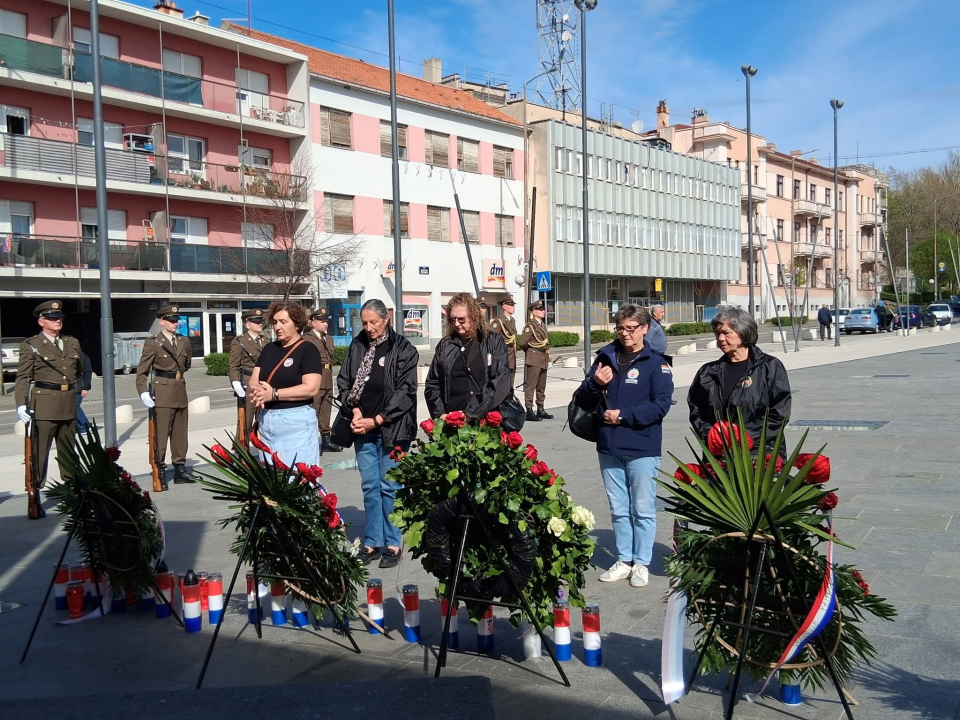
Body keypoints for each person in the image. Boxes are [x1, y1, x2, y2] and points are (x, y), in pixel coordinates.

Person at [576, 305, 673, 588]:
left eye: (631, 328)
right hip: (608, 445)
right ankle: (624, 558)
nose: (625, 333)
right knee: (618, 507)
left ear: (645, 328)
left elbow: (661, 405)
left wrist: (624, 416)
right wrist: (595, 383)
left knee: (642, 508)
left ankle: (641, 562)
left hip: (642, 445)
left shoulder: (656, 363)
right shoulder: (605, 358)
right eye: (620, 328)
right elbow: (582, 398)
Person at [336, 299, 418, 569]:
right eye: (365, 322)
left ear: (386, 320)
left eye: (374, 322)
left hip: (392, 428)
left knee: (390, 486)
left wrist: (378, 419)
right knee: (370, 487)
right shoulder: (358, 345)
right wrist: (356, 410)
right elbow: (344, 380)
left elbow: (406, 392)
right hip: (362, 426)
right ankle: (372, 540)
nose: (369, 327)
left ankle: (393, 542)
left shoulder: (403, 348)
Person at [688, 305, 792, 458]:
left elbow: (779, 414)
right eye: (717, 333)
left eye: (726, 333)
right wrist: (714, 437)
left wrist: (740, 438)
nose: (720, 339)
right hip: (719, 456)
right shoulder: (707, 372)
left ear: (743, 332)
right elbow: (696, 411)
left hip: (760, 455)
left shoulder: (770, 367)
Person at [15, 300, 84, 518]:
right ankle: (35, 493)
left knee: (68, 452)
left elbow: (79, 370)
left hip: (68, 403)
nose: (57, 321)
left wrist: (80, 389)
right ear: (41, 321)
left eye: (60, 318)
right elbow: (23, 378)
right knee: (39, 452)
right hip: (44, 404)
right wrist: (21, 405)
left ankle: (71, 492)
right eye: (52, 318)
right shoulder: (31, 345)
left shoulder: (72, 342)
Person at [249, 302, 322, 468]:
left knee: (298, 477)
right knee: (271, 479)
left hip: (296, 421)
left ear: (296, 324)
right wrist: (258, 390)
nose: (278, 327)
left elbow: (311, 388)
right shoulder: (269, 349)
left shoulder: (308, 350)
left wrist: (274, 394)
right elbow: (255, 378)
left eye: (283, 322)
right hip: (267, 419)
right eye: (275, 322)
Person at [136, 305, 198, 486]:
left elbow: (186, 365)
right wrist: (143, 392)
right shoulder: (153, 342)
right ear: (161, 322)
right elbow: (142, 373)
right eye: (170, 320)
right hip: (162, 392)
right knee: (161, 435)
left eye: (176, 320)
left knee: (180, 434)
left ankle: (180, 469)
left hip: (180, 389)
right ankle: (160, 470)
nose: (174, 323)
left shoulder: (184, 341)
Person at [425, 292, 510, 420]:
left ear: (474, 317)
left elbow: (500, 380)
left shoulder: (492, 341)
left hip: (483, 420)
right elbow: (433, 382)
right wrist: (439, 414)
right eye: (452, 319)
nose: (457, 324)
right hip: (450, 420)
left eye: (461, 319)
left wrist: (471, 414)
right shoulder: (446, 344)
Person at [303, 307, 342, 453]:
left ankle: (326, 439)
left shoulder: (329, 338)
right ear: (313, 323)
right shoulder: (307, 339)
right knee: (313, 409)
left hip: (326, 375)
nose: (325, 324)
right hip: (314, 376)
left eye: (326, 321)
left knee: (326, 409)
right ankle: (311, 442)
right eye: (321, 321)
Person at [228, 308, 266, 441]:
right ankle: (241, 452)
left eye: (261, 321)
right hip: (249, 383)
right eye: (256, 322)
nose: (259, 324)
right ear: (247, 324)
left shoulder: (266, 341)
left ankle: (264, 452)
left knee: (264, 421)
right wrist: (235, 382)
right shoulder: (240, 341)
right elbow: (233, 366)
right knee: (246, 421)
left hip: (264, 384)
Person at [520, 300, 553, 421]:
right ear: (533, 311)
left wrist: (548, 359)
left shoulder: (542, 325)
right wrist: (531, 353)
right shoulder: (530, 326)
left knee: (541, 386)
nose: (543, 311)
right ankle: (529, 410)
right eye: (540, 309)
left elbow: (546, 344)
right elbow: (523, 343)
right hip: (534, 358)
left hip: (543, 358)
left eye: (543, 309)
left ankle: (540, 408)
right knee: (531, 386)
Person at [490, 295, 518, 388]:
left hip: (512, 355)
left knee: (511, 381)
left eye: (513, 305)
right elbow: (492, 338)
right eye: (511, 305)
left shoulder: (512, 320)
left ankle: (509, 399)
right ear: (504, 306)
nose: (513, 307)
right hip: (503, 355)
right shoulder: (499, 320)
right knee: (503, 383)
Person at [76, 351, 92, 434]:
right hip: (71, 386)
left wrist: (86, 387)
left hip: (78, 386)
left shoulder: (82, 356)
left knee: (75, 406)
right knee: (71, 408)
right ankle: (78, 427)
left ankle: (85, 425)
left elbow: (87, 372)